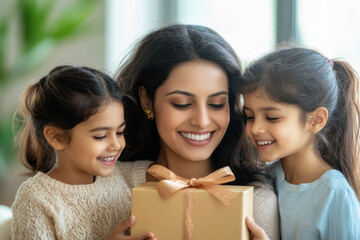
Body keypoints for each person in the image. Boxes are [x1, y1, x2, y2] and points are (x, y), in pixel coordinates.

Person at [116, 24, 280, 239]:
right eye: (182, 104)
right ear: (147, 100)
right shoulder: (114, 186)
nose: (202, 122)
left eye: (217, 104)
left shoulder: (257, 200)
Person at [11, 65, 155, 240]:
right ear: (57, 137)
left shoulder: (127, 177)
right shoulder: (36, 199)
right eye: (101, 136)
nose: (116, 144)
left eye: (119, 132)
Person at [241, 47, 360, 239]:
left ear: (316, 121)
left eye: (272, 117)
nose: (255, 129)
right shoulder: (267, 178)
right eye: (249, 116)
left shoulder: (334, 194)